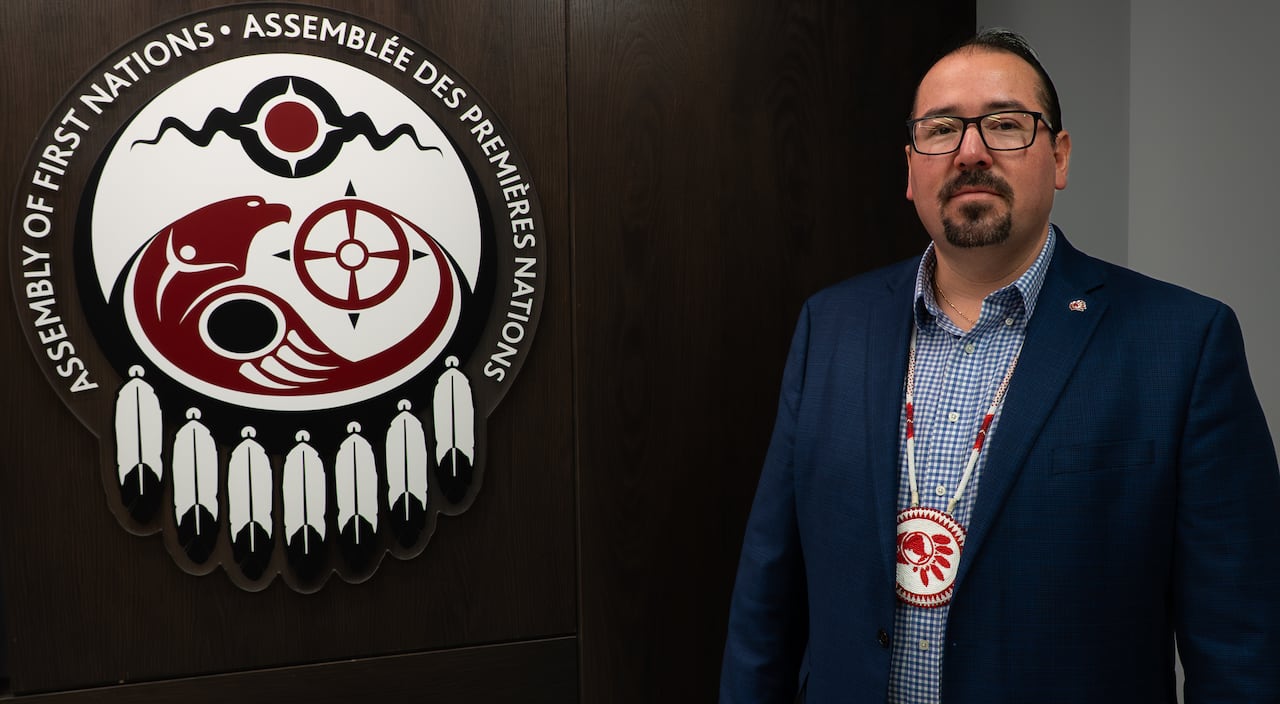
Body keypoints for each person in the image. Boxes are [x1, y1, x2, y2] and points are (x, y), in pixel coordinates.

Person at [720, 28, 1280, 703]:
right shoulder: (831, 327)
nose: (971, 152)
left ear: (1060, 156)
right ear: (910, 168)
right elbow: (765, 602)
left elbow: (1240, 647)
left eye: (1006, 125)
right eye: (941, 129)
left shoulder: (1182, 346)